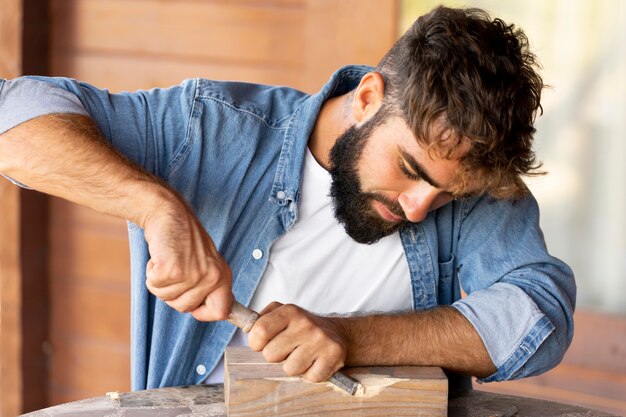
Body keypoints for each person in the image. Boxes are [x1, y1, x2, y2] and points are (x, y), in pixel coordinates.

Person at [0, 6, 575, 393]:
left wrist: (351, 337)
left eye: (449, 194)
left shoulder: (470, 179)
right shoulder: (209, 129)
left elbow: (539, 315)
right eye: (408, 170)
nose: (422, 207)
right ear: (369, 97)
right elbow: (15, 114)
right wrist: (156, 207)